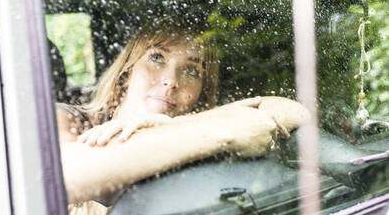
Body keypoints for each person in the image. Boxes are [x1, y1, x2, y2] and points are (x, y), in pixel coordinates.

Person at [55, 19, 309, 214]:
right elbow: (59, 174)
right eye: (157, 57)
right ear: (126, 74)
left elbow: (294, 110)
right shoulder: (69, 119)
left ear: (201, 91)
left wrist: (173, 126)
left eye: (191, 69)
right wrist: (217, 131)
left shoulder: (201, 125)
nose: (171, 81)